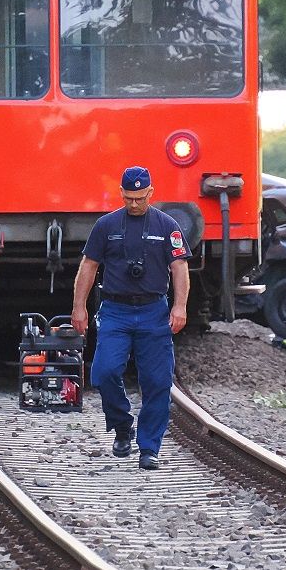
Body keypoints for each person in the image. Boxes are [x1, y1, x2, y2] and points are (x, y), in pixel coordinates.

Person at [71, 166, 191, 470]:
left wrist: (180, 306)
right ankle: (122, 424)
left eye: (139, 198)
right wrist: (79, 307)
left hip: (153, 311)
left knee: (157, 381)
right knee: (105, 371)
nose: (134, 204)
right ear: (121, 194)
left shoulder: (167, 226)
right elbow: (89, 265)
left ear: (150, 193)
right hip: (116, 311)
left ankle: (149, 448)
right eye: (128, 198)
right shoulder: (106, 225)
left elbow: (179, 267)